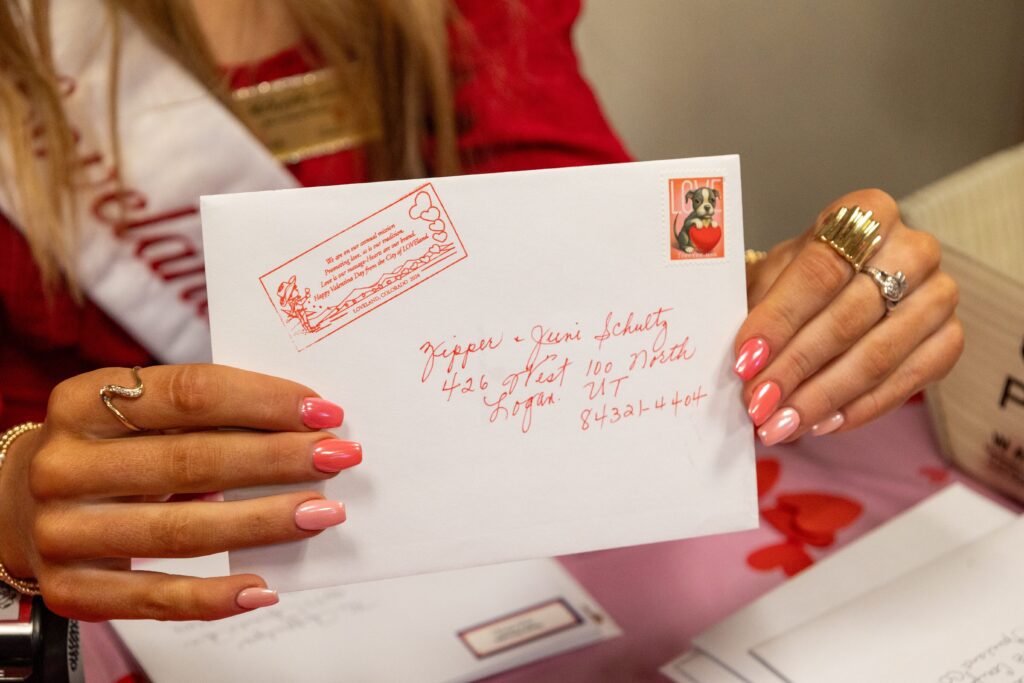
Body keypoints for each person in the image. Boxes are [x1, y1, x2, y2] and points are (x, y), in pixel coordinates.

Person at [0, 0, 962, 622]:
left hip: (464, 583)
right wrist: (8, 495)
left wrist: (739, 306)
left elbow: (564, 228)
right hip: (133, 608)